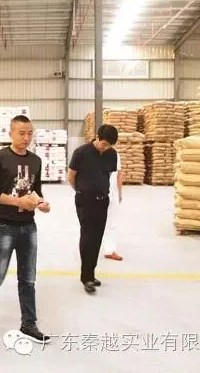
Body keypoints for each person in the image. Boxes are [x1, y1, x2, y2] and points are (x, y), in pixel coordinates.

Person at [0, 115, 52, 345]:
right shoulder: (0, 157)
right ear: (10, 133)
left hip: (28, 227)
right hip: (4, 226)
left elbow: (36, 190)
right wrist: (19, 202)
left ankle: (29, 324)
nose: (26, 137)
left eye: (29, 133)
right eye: (21, 133)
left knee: (28, 278)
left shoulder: (36, 161)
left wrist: (41, 203)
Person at [67, 124, 119, 294]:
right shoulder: (81, 152)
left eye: (109, 145)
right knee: (88, 237)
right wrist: (80, 191)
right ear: (97, 137)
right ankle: (86, 277)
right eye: (103, 144)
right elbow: (71, 176)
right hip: (85, 201)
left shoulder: (112, 154)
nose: (106, 148)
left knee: (97, 237)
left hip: (103, 201)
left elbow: (108, 175)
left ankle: (91, 273)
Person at [103, 151, 123, 261]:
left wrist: (119, 193)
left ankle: (109, 250)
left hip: (112, 193)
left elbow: (119, 174)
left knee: (111, 223)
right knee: (93, 224)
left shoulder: (115, 155)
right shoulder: (89, 153)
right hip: (96, 194)